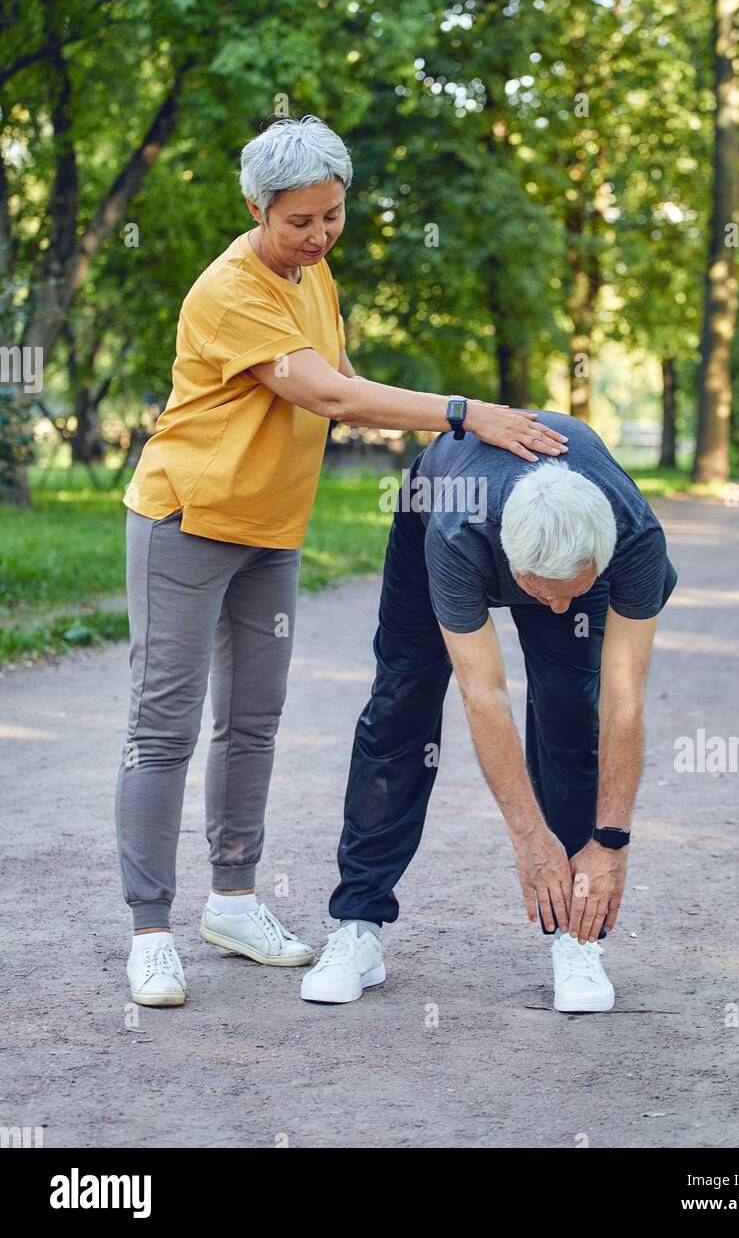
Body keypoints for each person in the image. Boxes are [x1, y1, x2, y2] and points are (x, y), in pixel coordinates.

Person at [116, 115, 569, 1007]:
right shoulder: (228, 289)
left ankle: (235, 902)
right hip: (186, 518)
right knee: (161, 727)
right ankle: (149, 932)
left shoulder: (314, 275)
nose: (319, 235)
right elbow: (320, 392)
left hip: (270, 531)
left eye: (332, 216)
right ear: (255, 207)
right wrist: (464, 411)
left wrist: (436, 462)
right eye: (300, 222)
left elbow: (347, 380)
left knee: (253, 721)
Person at [300, 413, 677, 1012]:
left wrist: (611, 841)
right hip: (441, 499)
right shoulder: (458, 533)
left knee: (571, 713)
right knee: (403, 700)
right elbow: (485, 695)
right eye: (540, 591)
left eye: (573, 590)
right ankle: (357, 925)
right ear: (507, 560)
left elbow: (623, 699)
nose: (557, 608)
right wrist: (530, 837)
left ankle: (576, 935)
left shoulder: (633, 539)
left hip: (563, 539)